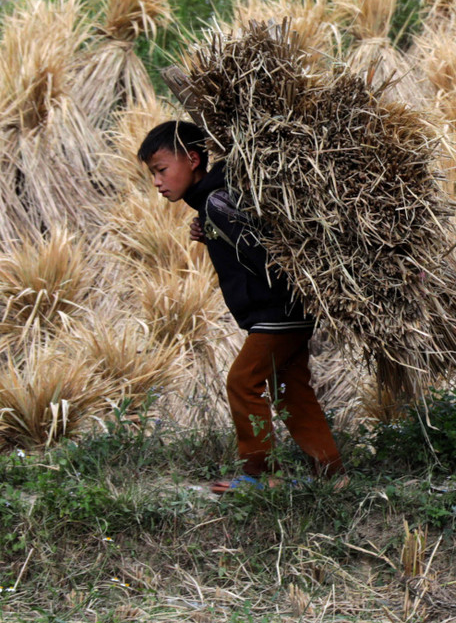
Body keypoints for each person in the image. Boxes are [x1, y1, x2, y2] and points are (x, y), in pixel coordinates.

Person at [138, 121, 344, 493]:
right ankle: (331, 473)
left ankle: (258, 474)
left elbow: (264, 250)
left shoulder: (217, 202)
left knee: (242, 381)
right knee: (289, 388)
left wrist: (215, 224)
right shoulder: (215, 201)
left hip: (276, 312)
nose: (157, 181)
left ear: (194, 159)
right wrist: (211, 233)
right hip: (288, 310)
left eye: (161, 170)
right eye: (154, 173)